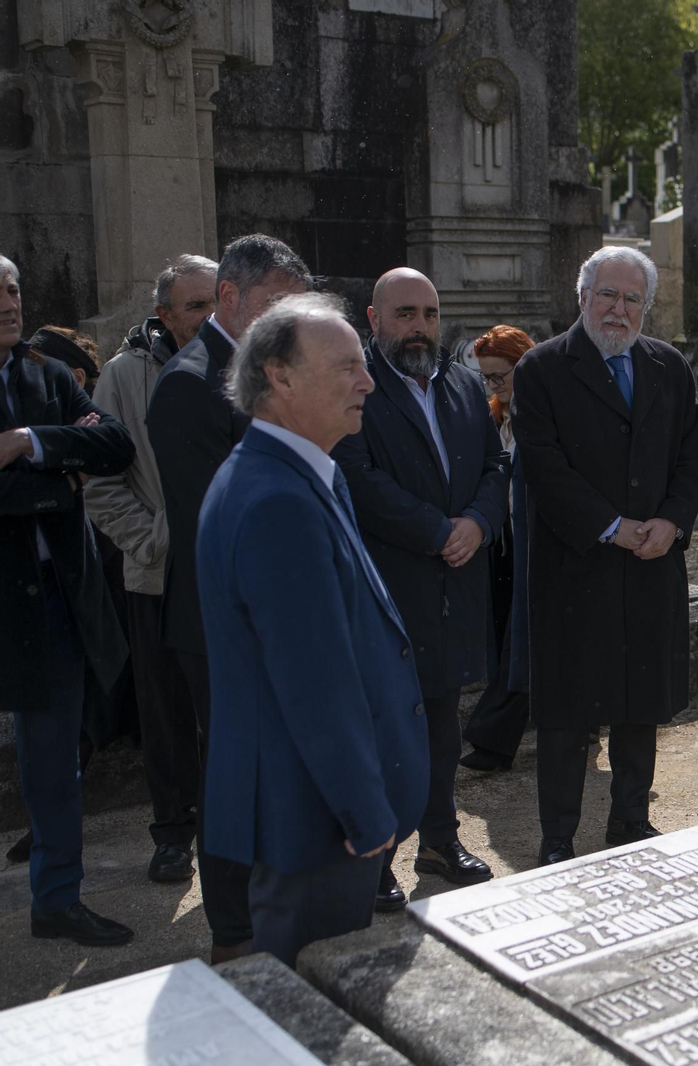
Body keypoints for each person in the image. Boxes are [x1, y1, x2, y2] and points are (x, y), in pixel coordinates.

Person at [197, 292, 428, 968]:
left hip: (311, 809)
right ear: (280, 375)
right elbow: (314, 684)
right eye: (346, 368)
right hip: (314, 817)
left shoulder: (293, 475)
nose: (368, 381)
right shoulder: (277, 502)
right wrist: (364, 814)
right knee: (304, 1009)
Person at [146, 232, 310, 963]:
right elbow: (221, 514)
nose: (290, 321)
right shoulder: (188, 382)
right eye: (277, 305)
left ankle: (275, 903)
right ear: (231, 300)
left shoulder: (266, 369)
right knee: (231, 772)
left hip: (274, 615)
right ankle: (232, 926)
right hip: (222, 624)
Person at [513, 247, 698, 866]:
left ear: (646, 307)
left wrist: (672, 521)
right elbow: (543, 465)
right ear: (582, 297)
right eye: (607, 295)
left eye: (631, 299)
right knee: (570, 715)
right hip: (577, 567)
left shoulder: (669, 366)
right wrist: (611, 526)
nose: (618, 310)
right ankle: (558, 839)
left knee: (639, 703)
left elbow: (691, 453)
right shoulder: (542, 369)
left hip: (651, 564)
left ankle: (629, 820)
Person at [332, 267, 507, 908]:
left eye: (430, 314)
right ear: (374, 320)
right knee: (382, 731)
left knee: (441, 724)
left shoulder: (462, 383)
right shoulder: (357, 387)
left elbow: (494, 465)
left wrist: (479, 523)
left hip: (456, 583)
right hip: (391, 584)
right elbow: (355, 475)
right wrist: (437, 530)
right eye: (406, 314)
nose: (421, 328)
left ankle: (438, 841)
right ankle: (377, 863)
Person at [1, 254, 137, 947]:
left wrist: (27, 442)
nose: (8, 301)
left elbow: (113, 444)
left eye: (15, 288)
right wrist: (61, 470)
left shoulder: (45, 374)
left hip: (57, 600)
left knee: (56, 758)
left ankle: (56, 899)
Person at [84, 253, 217, 884]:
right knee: (164, 709)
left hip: (226, 572)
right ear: (164, 313)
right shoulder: (122, 375)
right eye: (196, 306)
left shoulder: (242, 363)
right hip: (159, 574)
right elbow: (102, 483)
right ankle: (172, 831)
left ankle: (225, 826)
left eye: (219, 301)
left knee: (224, 708)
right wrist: (155, 542)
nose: (210, 316)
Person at [458, 325, 536, 773]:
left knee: (518, 645)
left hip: (531, 540)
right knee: (509, 637)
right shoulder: (496, 417)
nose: (494, 386)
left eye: (500, 376)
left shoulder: (539, 415)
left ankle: (492, 740)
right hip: (501, 543)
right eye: (487, 378)